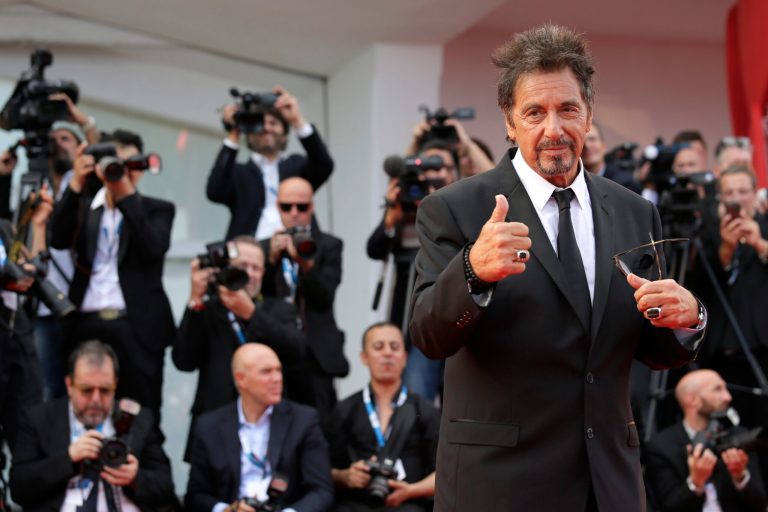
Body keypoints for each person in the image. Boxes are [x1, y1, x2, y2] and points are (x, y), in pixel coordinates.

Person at [408, 24, 706, 511]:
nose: (554, 128)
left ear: (588, 114)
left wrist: (689, 318)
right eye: (534, 112)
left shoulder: (635, 212)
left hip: (607, 484)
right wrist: (471, 272)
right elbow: (428, 335)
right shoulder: (456, 208)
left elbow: (654, 348)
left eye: (568, 109)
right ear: (509, 121)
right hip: (499, 488)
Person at [50, 130, 176, 422]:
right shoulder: (85, 206)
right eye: (116, 164)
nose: (123, 171)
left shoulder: (158, 209)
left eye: (133, 164)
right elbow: (57, 238)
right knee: (83, 411)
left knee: (142, 415)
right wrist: (76, 183)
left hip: (137, 326)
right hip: (86, 321)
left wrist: (126, 195)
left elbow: (152, 246)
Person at [173, 236, 313, 459]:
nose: (250, 273)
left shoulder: (278, 310)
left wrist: (251, 314)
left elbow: (297, 351)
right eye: (242, 266)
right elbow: (183, 360)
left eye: (256, 267)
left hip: (270, 426)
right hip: (215, 426)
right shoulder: (207, 309)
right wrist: (195, 299)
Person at [9, 340, 177, 511]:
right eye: (86, 390)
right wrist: (69, 458)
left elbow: (166, 488)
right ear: (69, 385)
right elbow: (19, 488)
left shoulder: (137, 419)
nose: (96, 399)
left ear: (115, 385)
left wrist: (135, 478)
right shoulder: (39, 419)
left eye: (105, 390)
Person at [184, 343, 333, 512]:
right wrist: (226, 510)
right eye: (266, 372)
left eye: (278, 370)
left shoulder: (303, 420)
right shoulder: (209, 426)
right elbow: (195, 495)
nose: (277, 378)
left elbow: (321, 490)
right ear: (241, 379)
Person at [260, 177, 348, 424]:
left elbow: (324, 296)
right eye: (287, 207)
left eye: (302, 206)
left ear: (312, 207)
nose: (295, 213)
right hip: (275, 346)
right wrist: (271, 260)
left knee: (321, 424)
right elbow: (256, 295)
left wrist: (306, 265)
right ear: (278, 208)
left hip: (315, 351)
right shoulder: (264, 247)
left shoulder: (329, 245)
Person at [328, 322, 439, 512]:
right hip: (356, 506)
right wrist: (346, 476)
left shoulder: (426, 410)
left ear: (405, 358)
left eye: (395, 347)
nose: (387, 353)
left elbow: (445, 473)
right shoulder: (345, 409)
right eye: (378, 347)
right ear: (364, 357)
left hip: (409, 505)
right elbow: (324, 470)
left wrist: (411, 490)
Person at [207, 86, 334, 241]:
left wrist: (296, 120)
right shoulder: (239, 173)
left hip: (298, 249)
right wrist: (234, 132)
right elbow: (215, 191)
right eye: (260, 124)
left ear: (285, 133)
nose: (266, 128)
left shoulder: (297, 166)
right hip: (250, 256)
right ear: (249, 132)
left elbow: (324, 165)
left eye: (273, 123)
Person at [644, 369, 766, 511]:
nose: (728, 397)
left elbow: (761, 503)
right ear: (692, 399)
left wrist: (740, 476)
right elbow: (667, 506)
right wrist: (695, 482)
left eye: (725, 388)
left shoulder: (738, 436)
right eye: (717, 389)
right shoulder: (662, 446)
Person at [582, 121, 641, 193]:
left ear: (603, 146)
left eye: (592, 139)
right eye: (582, 141)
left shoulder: (623, 184)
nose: (587, 145)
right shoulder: (569, 183)